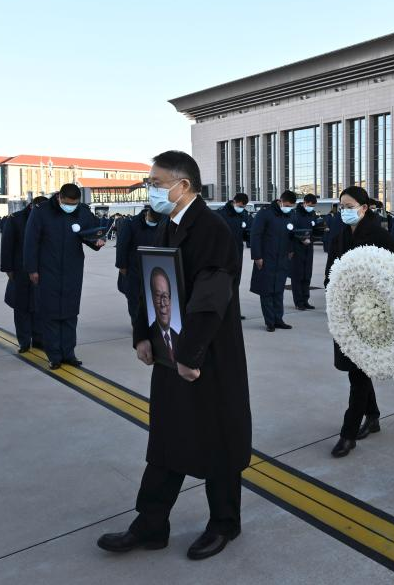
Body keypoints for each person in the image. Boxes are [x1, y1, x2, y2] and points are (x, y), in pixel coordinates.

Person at [97, 150, 251, 561]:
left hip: (206, 356)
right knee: (167, 438)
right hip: (171, 352)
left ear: (183, 185)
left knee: (217, 439)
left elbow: (210, 299)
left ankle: (224, 523)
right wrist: (143, 336)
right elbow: (152, 288)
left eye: (157, 182)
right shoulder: (168, 225)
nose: (152, 189)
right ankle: (151, 524)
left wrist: (190, 354)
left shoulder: (213, 231)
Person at [325, 186, 394, 458]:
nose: (343, 211)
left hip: (370, 316)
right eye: (341, 206)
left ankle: (348, 433)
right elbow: (329, 274)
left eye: (349, 205)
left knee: (359, 373)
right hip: (344, 315)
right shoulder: (339, 236)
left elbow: (393, 276)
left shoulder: (381, 237)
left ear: (364, 207)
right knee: (356, 371)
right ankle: (374, 415)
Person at [23, 183, 105, 370]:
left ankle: (69, 353)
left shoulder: (82, 212)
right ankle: (54, 355)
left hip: (72, 268)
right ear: (59, 197)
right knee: (50, 313)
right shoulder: (41, 211)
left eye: (75, 204)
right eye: (68, 203)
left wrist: (98, 242)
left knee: (70, 312)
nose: (71, 207)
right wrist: (32, 269)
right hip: (47, 269)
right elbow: (31, 241)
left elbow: (92, 233)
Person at [1, 195, 48, 353]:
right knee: (21, 307)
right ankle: (24, 341)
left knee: (39, 306)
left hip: (42, 269)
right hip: (20, 270)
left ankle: (39, 339)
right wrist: (8, 269)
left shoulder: (48, 218)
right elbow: (7, 245)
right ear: (32, 207)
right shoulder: (16, 219)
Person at [250, 190, 296, 331]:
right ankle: (270, 322)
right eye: (287, 205)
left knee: (278, 291)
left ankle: (278, 319)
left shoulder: (289, 215)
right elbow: (255, 235)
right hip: (266, 258)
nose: (288, 208)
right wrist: (257, 256)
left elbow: (291, 234)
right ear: (280, 201)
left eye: (291, 206)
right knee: (267, 291)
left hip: (282, 259)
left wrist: (291, 250)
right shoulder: (265, 214)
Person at [115, 205, 162, 321]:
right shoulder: (131, 223)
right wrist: (122, 266)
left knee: (154, 299)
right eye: (152, 220)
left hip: (155, 268)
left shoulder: (164, 222)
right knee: (134, 299)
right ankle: (137, 326)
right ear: (148, 213)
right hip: (134, 268)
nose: (153, 223)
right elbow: (122, 246)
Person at [290, 193, 318, 310]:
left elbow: (315, 230)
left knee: (307, 274)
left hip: (309, 247)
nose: (311, 207)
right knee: (298, 275)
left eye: (313, 205)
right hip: (297, 248)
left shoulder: (312, 214)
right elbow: (291, 232)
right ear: (304, 203)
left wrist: (312, 238)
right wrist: (301, 239)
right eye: (310, 205)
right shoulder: (295, 214)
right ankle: (298, 302)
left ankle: (305, 300)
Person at [147, 267, 180, 362]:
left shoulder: (179, 338)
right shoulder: (149, 336)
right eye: (157, 296)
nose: (162, 304)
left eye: (165, 297)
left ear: (170, 299)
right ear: (152, 299)